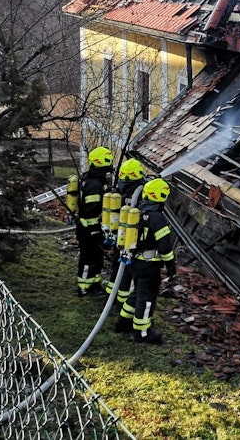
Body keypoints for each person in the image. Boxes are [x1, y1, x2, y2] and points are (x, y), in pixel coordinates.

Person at [113, 177, 177, 343]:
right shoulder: (158, 218)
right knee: (147, 298)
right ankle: (142, 333)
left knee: (137, 293)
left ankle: (123, 322)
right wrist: (171, 266)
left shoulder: (137, 211)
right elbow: (165, 247)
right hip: (149, 265)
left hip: (134, 262)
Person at [104, 157, 146, 304]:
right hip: (133, 238)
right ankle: (124, 299)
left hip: (118, 235)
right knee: (129, 270)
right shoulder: (141, 189)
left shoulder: (120, 187)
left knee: (116, 264)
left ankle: (110, 295)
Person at [75, 145, 113, 297]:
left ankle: (94, 284)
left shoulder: (90, 178)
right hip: (89, 230)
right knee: (87, 258)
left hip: (92, 228)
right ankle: (83, 287)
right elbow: (90, 211)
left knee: (97, 258)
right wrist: (95, 231)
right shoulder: (95, 185)